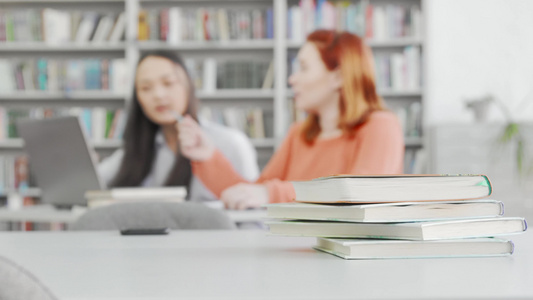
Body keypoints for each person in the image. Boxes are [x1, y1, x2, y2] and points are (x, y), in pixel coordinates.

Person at [177, 30, 404, 209]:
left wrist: (271, 193)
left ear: (338, 76)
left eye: (303, 68)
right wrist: (207, 156)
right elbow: (251, 193)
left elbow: (358, 195)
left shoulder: (380, 125)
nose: (292, 79)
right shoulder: (299, 134)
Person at [98, 50, 259, 202]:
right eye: (146, 88)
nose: (158, 95)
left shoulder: (230, 143)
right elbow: (93, 183)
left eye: (168, 83)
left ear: (189, 86)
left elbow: (253, 212)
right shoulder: (135, 151)